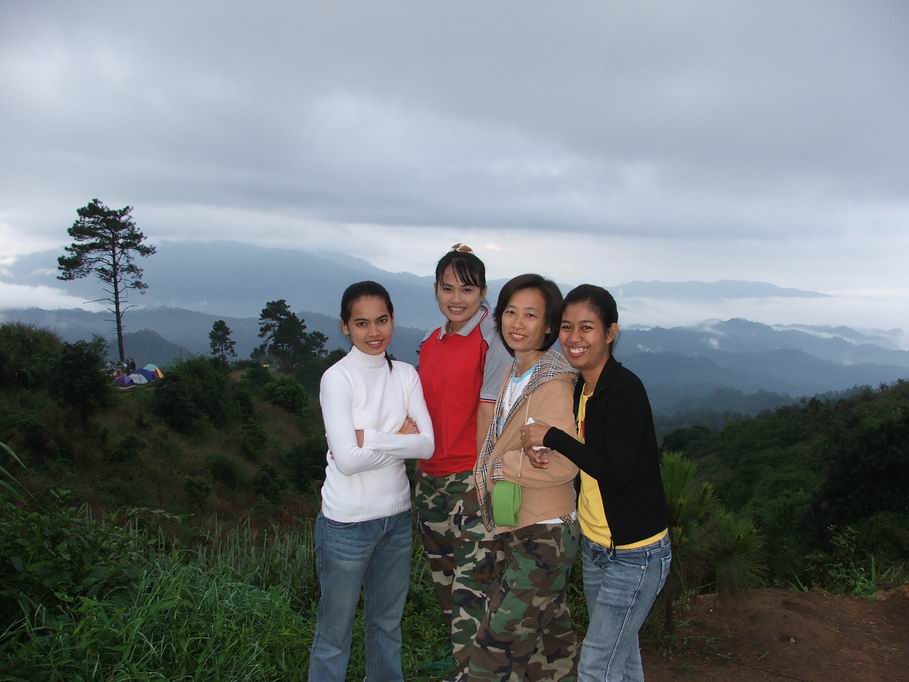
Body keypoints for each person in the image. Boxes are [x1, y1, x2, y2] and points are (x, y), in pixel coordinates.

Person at [521, 284, 671, 682]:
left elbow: (617, 472)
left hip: (635, 553)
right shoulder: (580, 389)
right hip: (596, 546)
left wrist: (553, 437)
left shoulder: (624, 390)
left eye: (586, 327)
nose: (574, 337)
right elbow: (584, 456)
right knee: (623, 658)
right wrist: (547, 451)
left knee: (595, 665)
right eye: (567, 326)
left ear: (610, 333)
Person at [308, 281, 434, 682]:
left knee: (387, 626)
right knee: (334, 633)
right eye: (362, 323)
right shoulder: (337, 379)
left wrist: (372, 438)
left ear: (393, 319)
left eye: (382, 320)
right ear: (345, 326)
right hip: (345, 524)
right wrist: (399, 438)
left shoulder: (406, 375)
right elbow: (347, 462)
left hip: (395, 519)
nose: (374, 332)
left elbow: (427, 445)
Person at [469, 274, 580, 681]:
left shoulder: (553, 383)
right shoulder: (517, 373)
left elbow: (567, 461)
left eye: (530, 315)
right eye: (510, 312)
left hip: (545, 533)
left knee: (495, 648)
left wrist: (500, 468)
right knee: (550, 655)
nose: (517, 323)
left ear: (548, 326)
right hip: (524, 527)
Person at [415, 244, 512, 676]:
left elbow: (494, 411)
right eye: (448, 288)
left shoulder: (493, 340)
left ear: (484, 292)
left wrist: (482, 477)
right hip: (430, 480)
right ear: (436, 289)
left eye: (467, 290)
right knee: (446, 582)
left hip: (472, 480)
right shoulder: (430, 341)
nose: (457, 299)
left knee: (474, 590)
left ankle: (472, 671)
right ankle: (465, 662)